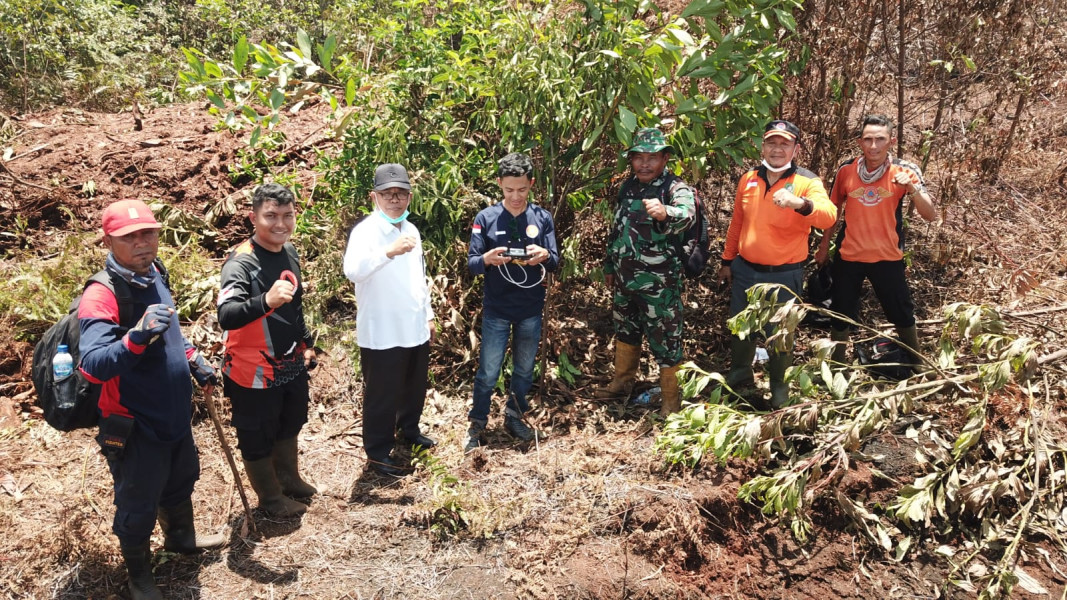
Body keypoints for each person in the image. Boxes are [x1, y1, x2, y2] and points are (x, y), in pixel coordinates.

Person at [78, 199, 225, 600]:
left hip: (173, 410)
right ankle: (140, 577)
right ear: (109, 240)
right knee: (138, 500)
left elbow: (173, 330)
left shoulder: (155, 273)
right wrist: (135, 338)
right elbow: (91, 365)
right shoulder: (102, 296)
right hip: (133, 421)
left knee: (180, 480)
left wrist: (194, 359)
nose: (143, 243)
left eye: (148, 232)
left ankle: (181, 540)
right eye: (130, 237)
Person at [718, 120, 837, 409]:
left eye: (785, 144)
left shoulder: (806, 182)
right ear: (763, 146)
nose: (777, 149)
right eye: (772, 142)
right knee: (741, 330)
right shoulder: (748, 179)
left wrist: (800, 204)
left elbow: (828, 215)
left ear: (795, 148)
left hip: (784, 275)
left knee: (780, 336)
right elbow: (737, 223)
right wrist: (727, 260)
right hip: (745, 269)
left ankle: (779, 390)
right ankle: (740, 378)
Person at [217, 183, 319, 518]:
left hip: (289, 361)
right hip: (252, 369)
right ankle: (271, 499)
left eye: (287, 215)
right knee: (256, 434)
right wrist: (265, 301)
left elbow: (296, 305)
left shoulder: (289, 252)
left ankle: (289, 479)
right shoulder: (240, 264)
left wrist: (307, 344)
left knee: (291, 421)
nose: (280, 224)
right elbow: (227, 316)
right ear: (253, 217)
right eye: (270, 216)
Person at [815, 114, 937, 368]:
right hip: (849, 255)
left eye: (880, 139)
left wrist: (912, 189)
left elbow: (930, 214)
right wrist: (824, 246)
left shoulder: (905, 170)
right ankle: (838, 366)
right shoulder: (846, 170)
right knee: (841, 313)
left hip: (887, 256)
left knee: (901, 312)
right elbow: (833, 210)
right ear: (859, 142)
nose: (873, 146)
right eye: (868, 139)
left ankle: (918, 363)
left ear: (891, 141)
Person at [343, 163, 436, 476]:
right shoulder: (366, 232)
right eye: (387, 194)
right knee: (382, 394)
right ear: (374, 197)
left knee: (414, 386)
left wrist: (429, 315)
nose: (394, 200)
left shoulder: (411, 230)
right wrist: (388, 252)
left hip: (414, 325)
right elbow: (353, 271)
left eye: (400, 194)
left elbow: (418, 278)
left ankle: (409, 431)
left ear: (409, 197)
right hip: (381, 330)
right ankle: (379, 453)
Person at [596, 127, 696, 416]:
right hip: (625, 281)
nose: (645, 164)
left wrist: (667, 213)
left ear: (665, 158)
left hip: (658, 285)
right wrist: (609, 265)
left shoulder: (675, 188)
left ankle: (670, 402)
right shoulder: (628, 187)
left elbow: (687, 214)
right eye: (639, 157)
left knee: (666, 341)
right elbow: (616, 229)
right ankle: (622, 383)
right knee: (625, 332)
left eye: (652, 157)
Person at [464, 153, 559, 452]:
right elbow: (472, 263)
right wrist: (488, 260)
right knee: (488, 370)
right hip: (497, 309)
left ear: (531, 184)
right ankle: (477, 423)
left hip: (530, 308)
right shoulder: (486, 218)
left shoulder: (542, 218)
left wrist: (545, 255)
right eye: (509, 190)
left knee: (524, 368)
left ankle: (514, 416)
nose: (516, 197)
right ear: (499, 185)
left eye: (522, 189)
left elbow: (555, 261)